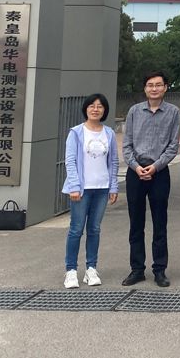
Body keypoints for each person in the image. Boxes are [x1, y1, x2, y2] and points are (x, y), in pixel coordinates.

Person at [121, 71, 180, 288]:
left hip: (159, 173)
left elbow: (173, 146)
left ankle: (159, 270)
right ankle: (137, 269)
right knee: (136, 223)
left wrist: (155, 167)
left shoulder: (173, 112)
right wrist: (136, 167)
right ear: (145, 88)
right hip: (135, 172)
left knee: (160, 223)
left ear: (165, 87)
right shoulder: (134, 111)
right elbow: (126, 144)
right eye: (150, 85)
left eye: (158, 85)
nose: (154, 88)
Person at [61, 93, 119, 288]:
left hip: (102, 188)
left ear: (104, 110)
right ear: (86, 109)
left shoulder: (109, 133)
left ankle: (91, 268)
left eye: (100, 106)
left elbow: (113, 161)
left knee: (94, 229)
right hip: (82, 190)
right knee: (76, 229)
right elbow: (70, 161)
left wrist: (113, 186)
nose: (95, 109)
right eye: (92, 106)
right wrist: (74, 186)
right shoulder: (76, 132)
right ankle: (71, 270)